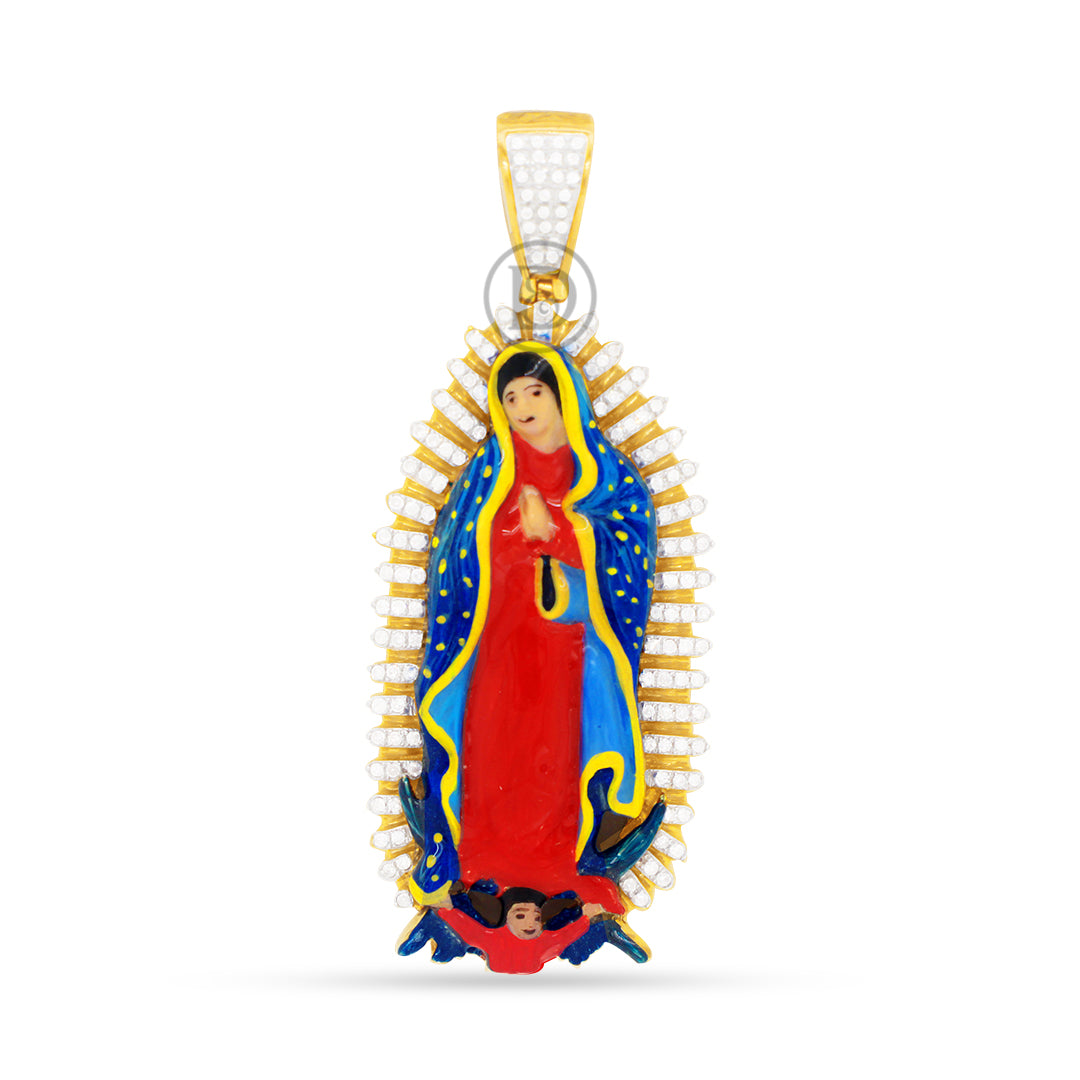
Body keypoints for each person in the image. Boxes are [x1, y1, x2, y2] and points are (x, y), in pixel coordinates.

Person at [402, 342, 659, 927]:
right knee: (492, 745)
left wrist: (562, 528)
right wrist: (513, 534)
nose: (522, 406)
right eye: (511, 396)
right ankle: (479, 867)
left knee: (555, 751)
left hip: (568, 648)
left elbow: (631, 546)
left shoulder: (607, 476)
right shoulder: (487, 474)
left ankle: (556, 866)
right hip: (495, 638)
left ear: (564, 395)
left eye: (535, 391)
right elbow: (454, 553)